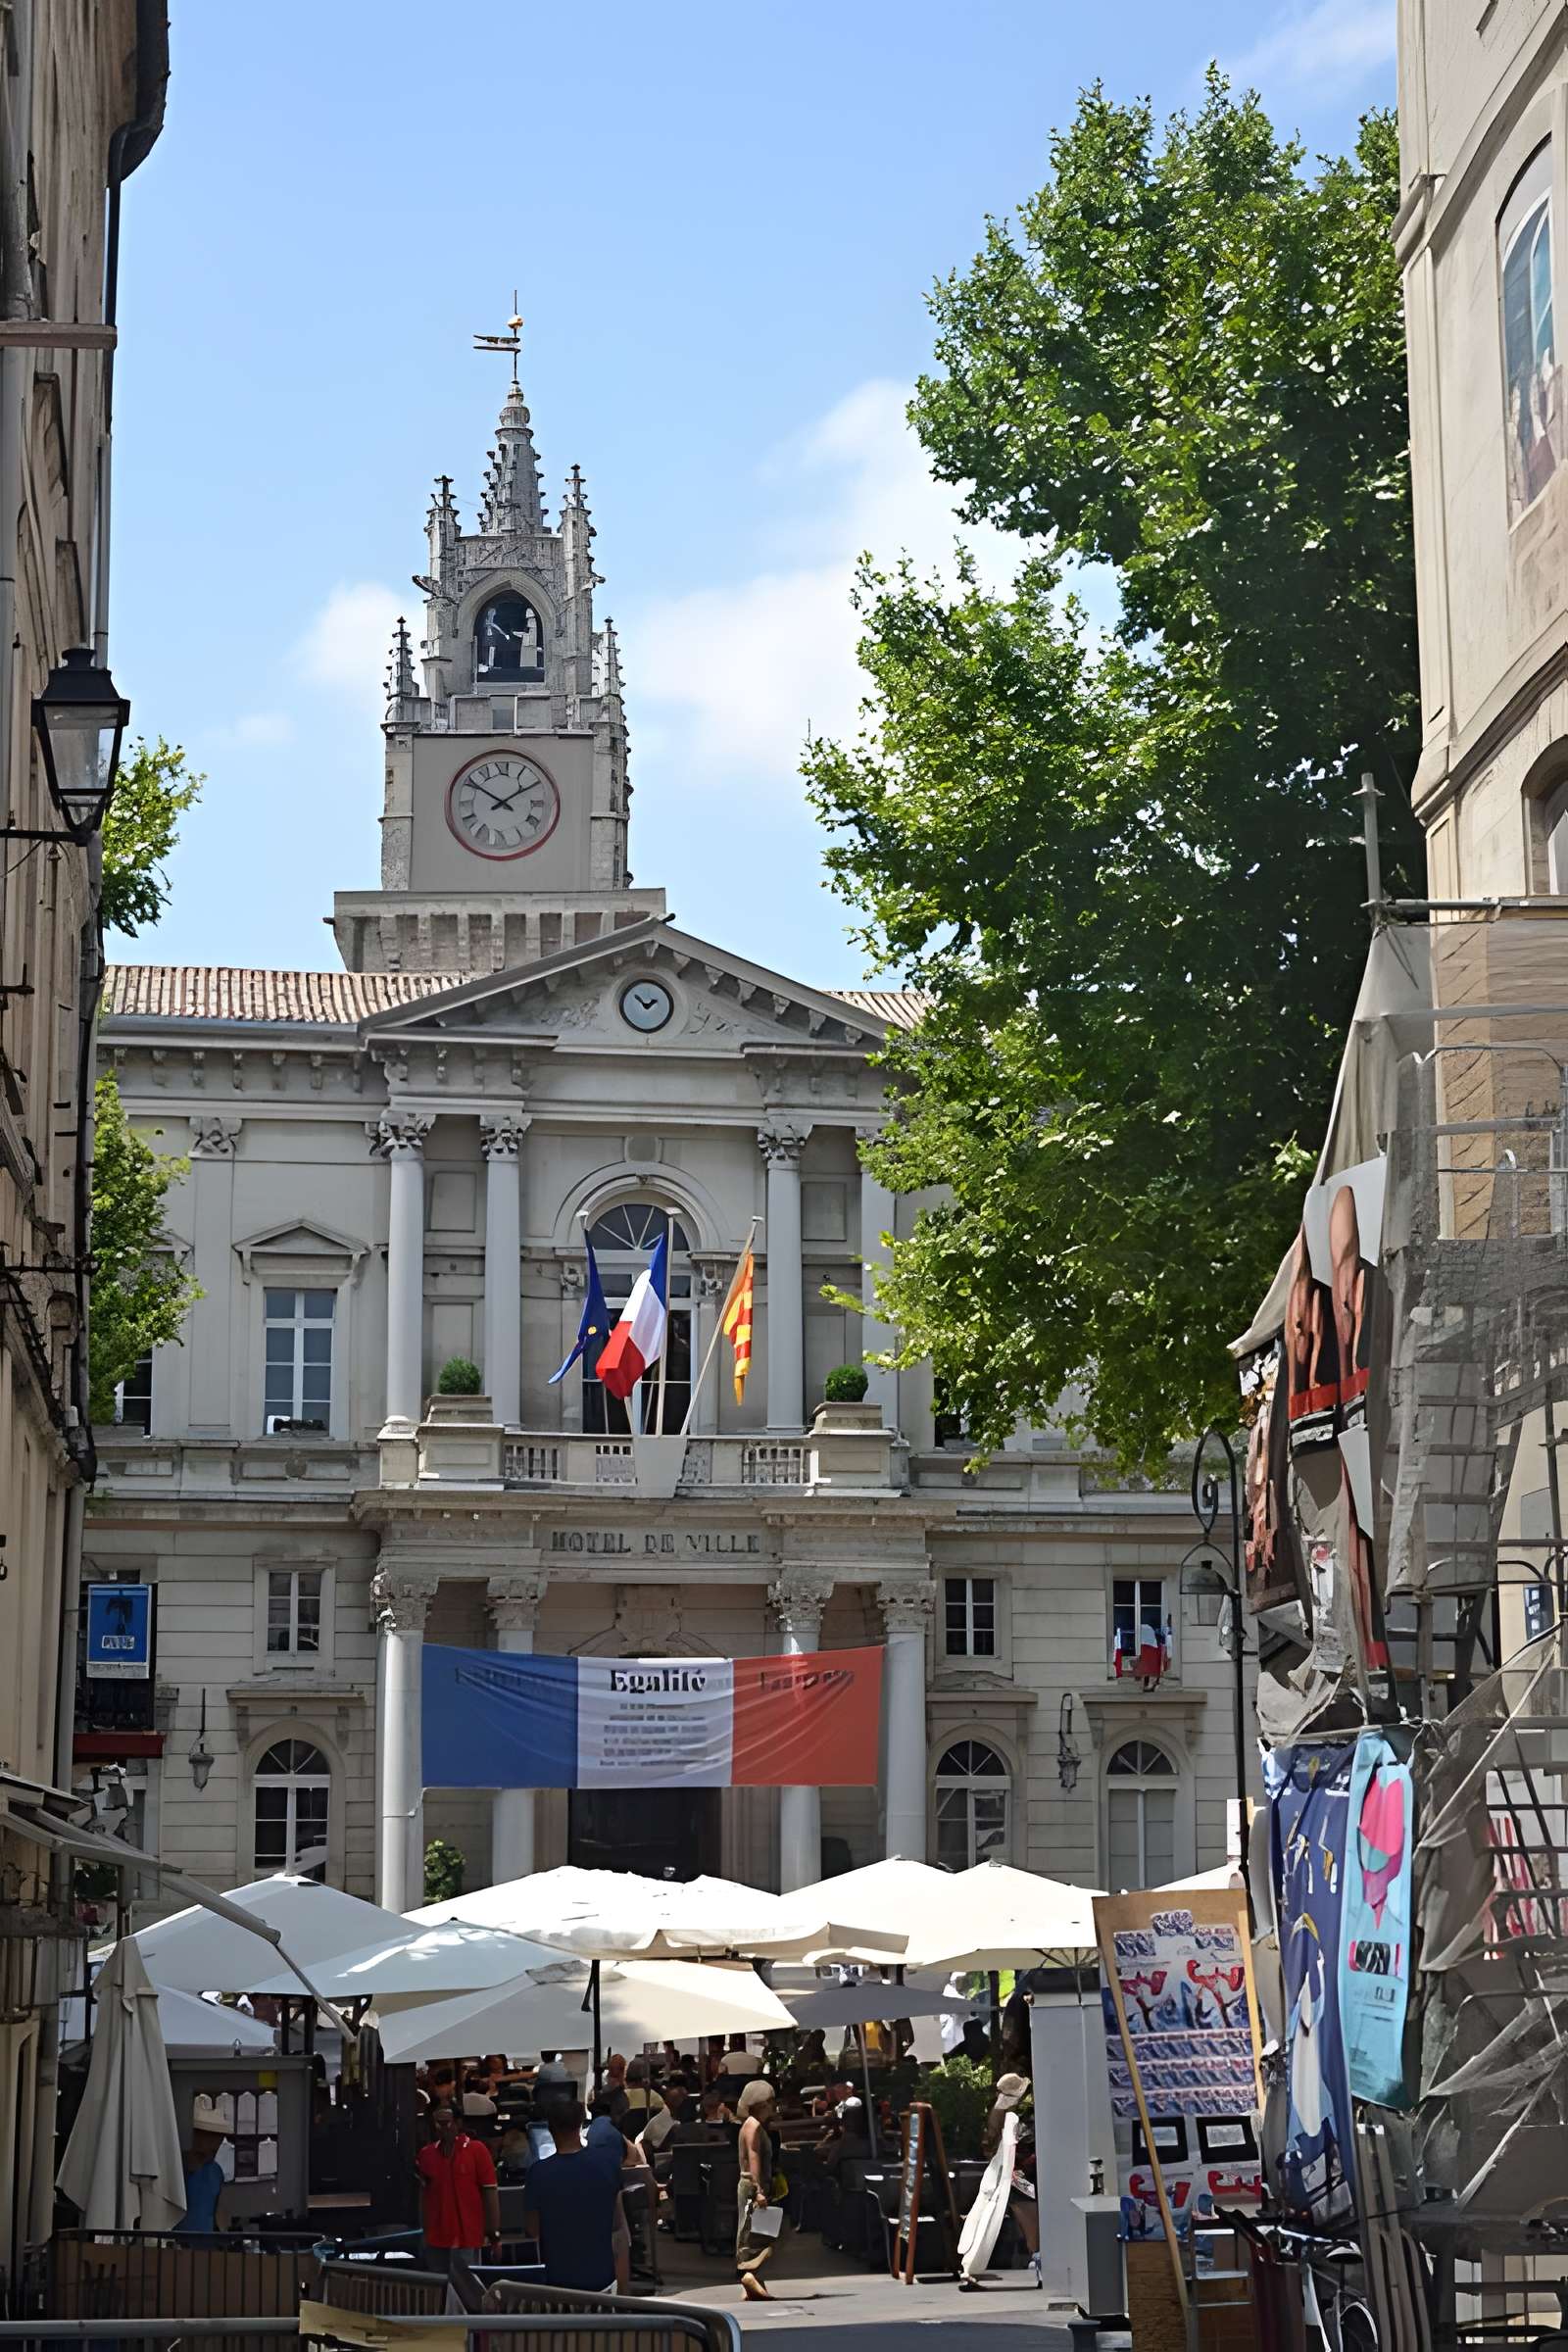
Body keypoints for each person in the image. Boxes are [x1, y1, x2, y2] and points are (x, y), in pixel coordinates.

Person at [522, 2095, 627, 2294]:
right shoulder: (608, 2164)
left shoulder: (538, 2174)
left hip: (559, 2283)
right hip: (603, 2281)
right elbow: (617, 2224)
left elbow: (532, 2230)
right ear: (580, 2125)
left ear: (550, 2128)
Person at [416, 2104, 501, 2273]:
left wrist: (494, 2236)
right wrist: (424, 2234)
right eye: (437, 2123)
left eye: (445, 2122)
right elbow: (423, 2198)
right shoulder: (426, 2155)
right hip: (435, 2239)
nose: (440, 2127)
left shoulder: (477, 2151)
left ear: (458, 2123)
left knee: (467, 2291)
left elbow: (490, 2195)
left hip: (468, 2238)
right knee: (440, 2291)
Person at [981, 2075, 1040, 2280]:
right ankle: (1036, 2252)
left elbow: (991, 2141)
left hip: (1018, 2172)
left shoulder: (1005, 2115)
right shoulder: (1027, 2113)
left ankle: (1035, 2251)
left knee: (1025, 2210)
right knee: (1028, 2209)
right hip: (1025, 2170)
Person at [735, 2079, 781, 2302]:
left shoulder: (753, 2125)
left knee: (755, 2230)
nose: (773, 2107)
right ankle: (749, 2275)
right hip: (753, 2185)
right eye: (770, 2102)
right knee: (756, 2234)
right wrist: (758, 2189)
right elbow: (753, 2158)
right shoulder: (753, 2126)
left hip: (753, 2185)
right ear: (760, 2104)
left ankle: (752, 2282)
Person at [173, 2096, 227, 2237]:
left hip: (204, 2250)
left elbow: (214, 2214)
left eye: (220, 2136)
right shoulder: (175, 2166)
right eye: (212, 2135)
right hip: (174, 2248)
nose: (218, 2141)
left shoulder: (216, 2172)